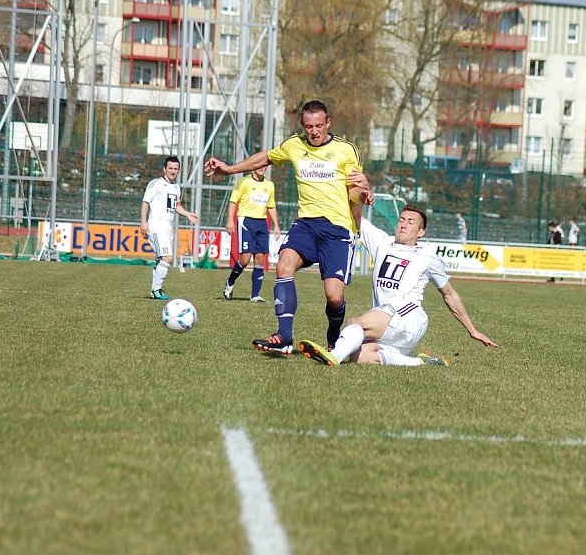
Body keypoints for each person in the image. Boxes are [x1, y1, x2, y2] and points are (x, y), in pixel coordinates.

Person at [205, 100, 373, 354]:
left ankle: (333, 334)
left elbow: (354, 190)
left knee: (334, 296)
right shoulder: (294, 144)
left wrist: (363, 195)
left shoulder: (346, 150)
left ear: (328, 123)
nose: (314, 131)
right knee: (283, 265)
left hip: (338, 229)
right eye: (309, 127)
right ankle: (284, 337)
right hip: (306, 224)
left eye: (319, 125)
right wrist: (229, 169)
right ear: (303, 126)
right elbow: (266, 157)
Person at [297, 203, 497, 367]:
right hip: (386, 322)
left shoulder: (427, 256)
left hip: (409, 318)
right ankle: (420, 362)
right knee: (360, 356)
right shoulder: (383, 243)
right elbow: (356, 215)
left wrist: (472, 330)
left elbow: (449, 294)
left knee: (355, 323)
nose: (404, 224)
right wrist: (359, 189)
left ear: (421, 232)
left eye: (411, 222)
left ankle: (333, 356)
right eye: (402, 219)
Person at [140, 156, 200, 300]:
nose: (173, 171)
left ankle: (154, 291)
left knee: (161, 259)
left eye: (176, 169)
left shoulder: (176, 187)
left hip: (168, 228)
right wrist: (143, 222)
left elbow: (176, 206)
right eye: (170, 168)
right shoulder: (156, 183)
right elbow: (145, 202)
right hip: (156, 226)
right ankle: (157, 289)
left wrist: (187, 214)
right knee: (167, 258)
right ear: (164, 169)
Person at [222, 169, 281, 302]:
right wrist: (230, 220)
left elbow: (271, 206)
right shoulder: (244, 181)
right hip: (246, 222)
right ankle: (230, 281)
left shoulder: (270, 185)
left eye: (264, 165)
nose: (262, 168)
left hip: (262, 223)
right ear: (254, 166)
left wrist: (276, 225)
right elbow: (233, 201)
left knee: (260, 259)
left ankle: (255, 295)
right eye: (259, 165)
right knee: (245, 259)